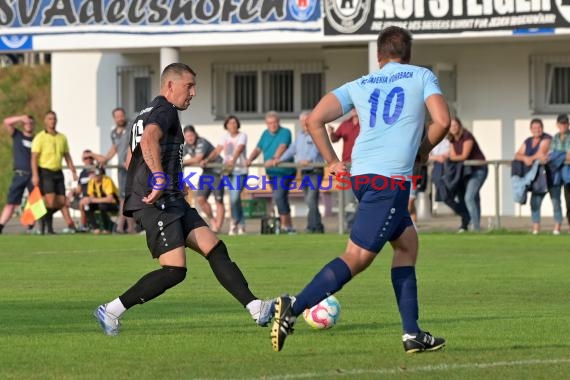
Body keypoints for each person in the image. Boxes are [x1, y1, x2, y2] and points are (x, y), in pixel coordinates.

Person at [269, 26, 450, 353]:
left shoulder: (362, 83)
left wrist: (331, 162)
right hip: (390, 180)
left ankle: (412, 333)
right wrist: (423, 150)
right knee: (357, 257)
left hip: (363, 176)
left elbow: (314, 120)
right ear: (408, 55)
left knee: (407, 244)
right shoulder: (421, 76)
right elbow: (443, 121)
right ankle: (292, 308)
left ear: (379, 56)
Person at [93, 63, 273, 336]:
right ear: (169, 86)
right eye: (188, 86)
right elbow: (148, 141)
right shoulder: (165, 109)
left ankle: (255, 307)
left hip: (170, 198)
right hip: (156, 201)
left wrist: (170, 181)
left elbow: (131, 156)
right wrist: (157, 179)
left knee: (215, 248)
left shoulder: (146, 112)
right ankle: (112, 310)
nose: (193, 92)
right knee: (174, 270)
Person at [246, 111, 297, 234]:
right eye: (270, 123)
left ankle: (285, 226)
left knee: (279, 197)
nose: (272, 125)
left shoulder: (285, 132)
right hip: (272, 172)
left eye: (274, 123)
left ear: (278, 122)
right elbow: (258, 148)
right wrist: (249, 159)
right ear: (266, 124)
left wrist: (274, 158)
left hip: (285, 172)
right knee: (281, 198)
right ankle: (289, 227)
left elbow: (282, 146)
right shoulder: (265, 134)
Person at [277, 111, 325, 233]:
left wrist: (308, 159)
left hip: (315, 170)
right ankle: (316, 226)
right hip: (304, 172)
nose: (304, 123)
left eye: (306, 121)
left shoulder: (316, 134)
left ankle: (313, 226)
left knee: (311, 199)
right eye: (302, 121)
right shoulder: (300, 135)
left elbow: (316, 150)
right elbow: (292, 150)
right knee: (310, 200)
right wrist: (279, 159)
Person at [31, 110, 78, 235]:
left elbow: (66, 155)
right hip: (45, 172)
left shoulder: (62, 137)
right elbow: (34, 157)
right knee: (51, 201)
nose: (52, 121)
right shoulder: (40, 137)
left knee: (62, 202)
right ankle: (46, 227)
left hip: (58, 172)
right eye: (50, 119)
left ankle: (44, 222)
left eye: (54, 119)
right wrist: (35, 175)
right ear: (45, 121)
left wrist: (73, 170)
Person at [206, 115, 248, 235]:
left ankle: (234, 222)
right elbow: (217, 150)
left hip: (240, 170)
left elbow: (239, 148)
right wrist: (207, 160)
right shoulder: (224, 137)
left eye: (234, 123)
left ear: (237, 124)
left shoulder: (242, 136)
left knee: (234, 198)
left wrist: (233, 160)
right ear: (226, 125)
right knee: (234, 199)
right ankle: (241, 225)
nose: (232, 125)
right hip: (228, 171)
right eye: (230, 123)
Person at [97, 107, 136, 234]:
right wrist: (106, 159)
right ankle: (128, 227)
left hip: (134, 166)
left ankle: (124, 226)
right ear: (114, 118)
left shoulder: (132, 126)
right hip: (121, 169)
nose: (120, 118)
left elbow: (137, 143)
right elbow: (114, 148)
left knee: (130, 196)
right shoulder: (114, 133)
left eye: (121, 115)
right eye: (117, 116)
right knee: (123, 196)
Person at [446, 117, 488, 232]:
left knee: (469, 197)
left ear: (459, 125)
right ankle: (476, 226)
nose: (453, 128)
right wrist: (452, 157)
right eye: (451, 126)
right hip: (466, 172)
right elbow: (453, 155)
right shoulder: (451, 139)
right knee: (474, 197)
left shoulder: (467, 136)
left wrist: (450, 157)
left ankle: (475, 226)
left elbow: (463, 155)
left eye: (455, 125)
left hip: (478, 169)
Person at [182, 125, 225, 233]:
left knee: (218, 200)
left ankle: (218, 227)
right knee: (200, 198)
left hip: (217, 170)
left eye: (191, 135)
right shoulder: (187, 146)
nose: (190, 138)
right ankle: (212, 220)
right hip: (206, 172)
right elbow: (179, 156)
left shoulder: (202, 142)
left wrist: (183, 162)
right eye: (187, 136)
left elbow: (198, 158)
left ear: (195, 134)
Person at [513, 118, 552, 234]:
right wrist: (525, 158)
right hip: (532, 176)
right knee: (534, 201)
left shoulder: (547, 138)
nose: (537, 130)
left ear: (542, 128)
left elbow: (542, 152)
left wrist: (530, 158)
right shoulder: (528, 141)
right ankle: (536, 228)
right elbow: (517, 154)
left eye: (539, 127)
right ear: (531, 129)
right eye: (534, 128)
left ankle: (557, 229)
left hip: (546, 176)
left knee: (554, 201)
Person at [0, 114, 35, 234]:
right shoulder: (17, 135)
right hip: (20, 174)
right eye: (26, 123)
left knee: (34, 200)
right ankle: (1, 225)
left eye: (31, 123)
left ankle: (30, 226)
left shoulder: (37, 140)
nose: (28, 125)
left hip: (33, 174)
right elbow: (6, 122)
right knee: (12, 202)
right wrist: (20, 118)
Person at [327, 108, 360, 231]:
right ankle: (350, 225)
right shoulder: (345, 124)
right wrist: (331, 133)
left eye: (355, 107)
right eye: (351, 108)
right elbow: (335, 139)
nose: (353, 110)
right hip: (347, 164)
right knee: (348, 198)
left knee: (361, 196)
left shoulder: (366, 124)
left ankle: (362, 224)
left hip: (362, 164)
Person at [547, 113, 570, 234]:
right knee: (555, 199)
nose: (563, 125)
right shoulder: (555, 137)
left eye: (565, 123)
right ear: (557, 125)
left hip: (568, 172)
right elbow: (550, 155)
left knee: (569, 201)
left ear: (568, 124)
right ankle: (557, 224)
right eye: (561, 123)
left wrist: (558, 156)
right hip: (555, 172)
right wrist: (562, 156)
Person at [80, 167, 120, 234]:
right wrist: (87, 200)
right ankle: (95, 228)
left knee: (102, 205)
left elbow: (110, 199)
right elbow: (91, 196)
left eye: (96, 175)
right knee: (86, 205)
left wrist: (93, 200)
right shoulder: (92, 181)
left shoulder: (107, 180)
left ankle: (106, 228)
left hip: (114, 204)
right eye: (94, 174)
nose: (94, 177)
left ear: (101, 175)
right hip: (100, 203)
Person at [67, 150, 98, 232]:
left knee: (83, 202)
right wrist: (72, 192)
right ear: (83, 160)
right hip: (83, 197)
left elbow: (103, 160)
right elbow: (79, 189)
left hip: (95, 197)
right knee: (65, 201)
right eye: (85, 158)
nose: (88, 160)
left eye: (90, 157)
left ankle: (84, 226)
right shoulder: (82, 173)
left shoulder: (97, 169)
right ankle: (71, 226)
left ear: (93, 159)